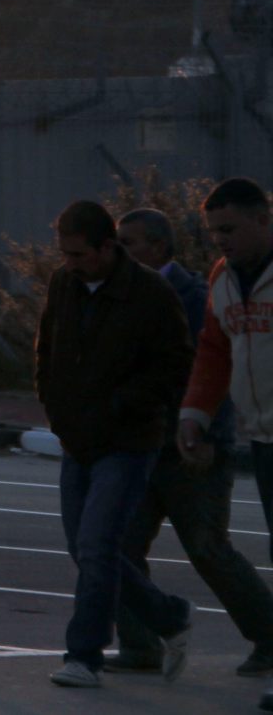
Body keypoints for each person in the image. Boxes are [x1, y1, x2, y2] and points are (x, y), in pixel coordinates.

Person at [107, 206, 273, 676]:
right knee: (119, 544)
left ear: (158, 247)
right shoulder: (122, 294)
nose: (120, 251)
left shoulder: (193, 294)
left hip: (190, 450)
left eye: (130, 242)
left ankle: (269, 636)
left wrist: (208, 436)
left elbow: (215, 366)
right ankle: (140, 648)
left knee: (207, 548)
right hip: (138, 446)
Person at [35, 199, 194, 689]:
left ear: (108, 247)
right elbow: (47, 350)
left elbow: (174, 365)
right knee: (84, 548)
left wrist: (125, 404)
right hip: (77, 439)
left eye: (79, 255)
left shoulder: (150, 292)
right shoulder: (65, 285)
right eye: (64, 254)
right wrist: (58, 411)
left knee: (99, 543)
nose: (70, 264)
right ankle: (169, 617)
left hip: (127, 442)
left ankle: (84, 655)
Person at [177, 177, 273, 712]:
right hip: (262, 436)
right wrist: (195, 414)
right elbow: (214, 351)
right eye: (214, 232)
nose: (221, 240)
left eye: (230, 229)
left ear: (264, 218)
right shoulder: (223, 278)